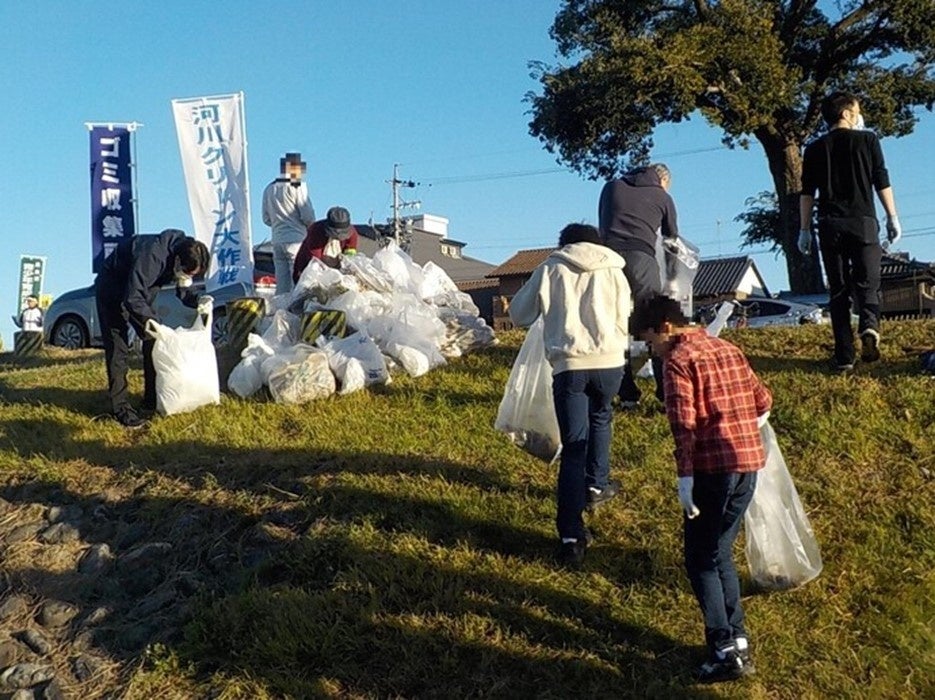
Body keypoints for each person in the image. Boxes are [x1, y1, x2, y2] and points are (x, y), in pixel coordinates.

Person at [630, 295, 772, 683]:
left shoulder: (678, 360)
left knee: (700, 559)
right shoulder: (728, 347)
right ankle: (738, 639)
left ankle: (722, 648)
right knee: (720, 552)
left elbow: (683, 426)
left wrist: (684, 478)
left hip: (711, 471)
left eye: (648, 341)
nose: (650, 350)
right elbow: (764, 401)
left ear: (664, 327)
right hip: (749, 465)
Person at [509, 223, 630, 568]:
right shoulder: (615, 267)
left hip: (570, 365)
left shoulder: (551, 267)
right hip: (610, 363)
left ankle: (571, 536)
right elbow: (627, 314)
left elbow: (518, 315)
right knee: (602, 418)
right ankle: (598, 485)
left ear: (564, 244)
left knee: (573, 445)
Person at [800, 91, 901, 371]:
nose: (859, 115)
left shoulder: (814, 149)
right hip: (864, 222)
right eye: (856, 110)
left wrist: (804, 229)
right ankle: (869, 327)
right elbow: (881, 179)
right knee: (869, 283)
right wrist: (892, 216)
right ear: (846, 114)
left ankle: (844, 355)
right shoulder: (868, 140)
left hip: (830, 225)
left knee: (838, 290)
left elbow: (807, 192)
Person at [95, 229, 210, 428]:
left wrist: (199, 301)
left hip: (141, 293)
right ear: (178, 262)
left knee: (154, 342)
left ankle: (151, 400)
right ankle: (121, 408)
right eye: (187, 272)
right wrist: (150, 320)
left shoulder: (182, 255)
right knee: (118, 347)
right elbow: (132, 298)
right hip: (113, 287)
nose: (187, 276)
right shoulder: (152, 256)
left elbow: (183, 291)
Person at [598, 163, 679, 408]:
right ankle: (666, 394)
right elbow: (672, 240)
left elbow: (603, 223)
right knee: (656, 326)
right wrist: (673, 277)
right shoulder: (663, 196)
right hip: (642, 260)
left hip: (608, 261)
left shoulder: (610, 186)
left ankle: (626, 395)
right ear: (663, 180)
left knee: (615, 327)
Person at [262, 152, 316, 295]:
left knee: (282, 285)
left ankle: (280, 311)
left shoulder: (269, 188)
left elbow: (266, 218)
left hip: (277, 240)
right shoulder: (297, 185)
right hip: (296, 239)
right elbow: (307, 214)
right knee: (298, 281)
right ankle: (295, 313)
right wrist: (310, 227)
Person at [292, 206, 359, 281]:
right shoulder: (316, 230)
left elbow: (350, 257)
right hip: (309, 269)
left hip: (337, 269)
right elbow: (315, 260)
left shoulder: (352, 234)